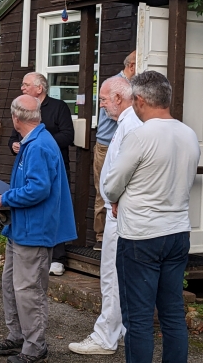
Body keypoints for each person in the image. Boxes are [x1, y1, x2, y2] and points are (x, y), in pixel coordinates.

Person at [104, 71, 200, 363]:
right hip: (177, 231)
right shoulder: (189, 134)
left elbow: (112, 184)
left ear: (140, 100)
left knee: (139, 318)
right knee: (172, 313)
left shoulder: (140, 136)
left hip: (141, 235)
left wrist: (118, 198)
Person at [0, 94, 77, 363]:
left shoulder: (38, 145)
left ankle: (35, 347)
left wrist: (5, 198)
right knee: (12, 285)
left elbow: (38, 188)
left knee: (29, 291)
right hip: (21, 227)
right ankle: (18, 336)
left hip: (34, 230)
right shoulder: (34, 140)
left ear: (16, 118)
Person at [69, 76, 141, 355]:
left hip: (119, 211)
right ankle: (117, 330)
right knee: (116, 273)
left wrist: (114, 197)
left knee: (112, 273)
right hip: (120, 208)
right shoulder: (127, 123)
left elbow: (123, 171)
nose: (100, 105)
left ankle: (106, 337)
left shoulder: (130, 126)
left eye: (102, 99)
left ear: (118, 99)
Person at [7, 72, 74, 276]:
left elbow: (68, 135)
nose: (22, 88)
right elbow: (13, 137)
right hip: (28, 164)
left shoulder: (58, 108)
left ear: (40, 88)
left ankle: (58, 257)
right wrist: (15, 145)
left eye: (26, 84)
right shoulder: (23, 107)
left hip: (52, 165)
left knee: (52, 208)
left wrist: (35, 141)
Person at [92, 51, 136, 250]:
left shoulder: (133, 87)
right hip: (106, 144)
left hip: (125, 144)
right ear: (132, 66)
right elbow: (113, 114)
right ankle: (102, 236)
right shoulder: (114, 86)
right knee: (104, 189)